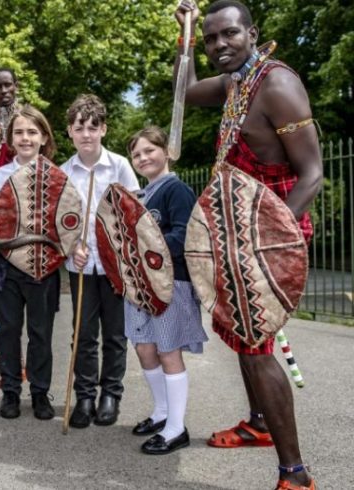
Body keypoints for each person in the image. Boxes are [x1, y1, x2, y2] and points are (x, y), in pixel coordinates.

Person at [175, 1, 322, 488]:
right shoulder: (236, 79)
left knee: (256, 345)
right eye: (212, 39)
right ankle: (259, 423)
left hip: (270, 234)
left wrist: (263, 245)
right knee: (241, 333)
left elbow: (313, 175)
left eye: (229, 35)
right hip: (239, 229)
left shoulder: (276, 84)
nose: (220, 46)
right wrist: (188, 32)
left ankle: (295, 475)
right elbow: (188, 93)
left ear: (252, 33)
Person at [124, 126, 209, 455]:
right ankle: (161, 413)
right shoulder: (141, 196)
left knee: (167, 351)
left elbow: (184, 234)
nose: (143, 158)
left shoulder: (177, 190)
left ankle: (176, 428)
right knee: (145, 349)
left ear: (166, 152)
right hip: (141, 285)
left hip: (171, 283)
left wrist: (147, 250)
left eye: (149, 150)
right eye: (137, 154)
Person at [59, 94, 139, 428]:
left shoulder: (119, 166)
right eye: (80, 128)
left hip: (115, 266)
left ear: (104, 129)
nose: (87, 134)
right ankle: (86, 395)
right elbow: (59, 221)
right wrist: (70, 246)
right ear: (70, 132)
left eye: (93, 127)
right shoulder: (63, 172)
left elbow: (135, 214)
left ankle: (111, 395)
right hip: (81, 267)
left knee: (115, 334)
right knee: (84, 333)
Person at [0, 105, 60, 421]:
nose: (25, 138)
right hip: (7, 268)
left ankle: (40, 392)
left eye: (32, 132)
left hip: (44, 268)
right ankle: (10, 392)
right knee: (7, 331)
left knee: (40, 332)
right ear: (10, 139)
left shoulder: (56, 176)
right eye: (19, 132)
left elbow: (66, 223)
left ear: (43, 137)